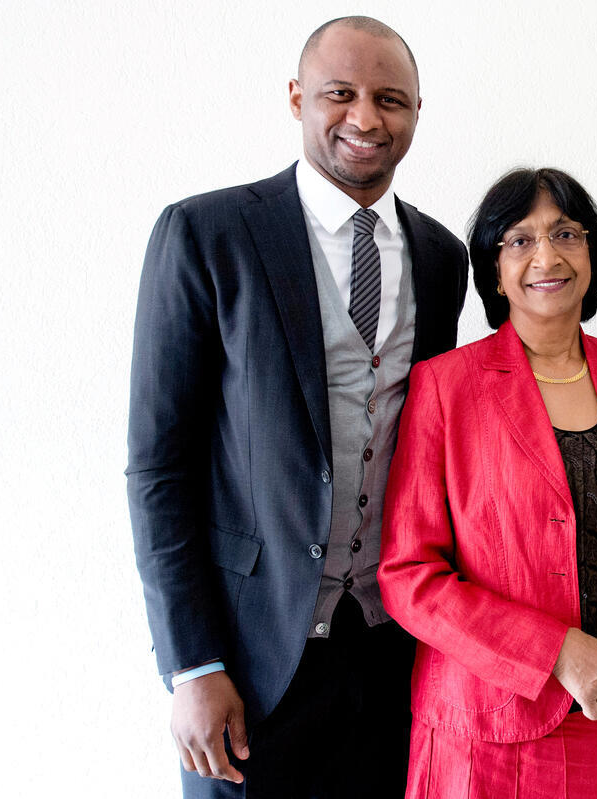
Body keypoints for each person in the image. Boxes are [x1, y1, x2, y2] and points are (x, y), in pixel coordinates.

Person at [126, 17, 468, 798]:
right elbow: (158, 466)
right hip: (247, 662)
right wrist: (193, 664)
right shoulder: (207, 233)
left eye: (391, 99)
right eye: (339, 94)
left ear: (417, 111)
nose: (365, 118)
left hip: (391, 656)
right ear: (296, 98)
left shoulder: (441, 256)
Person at [378, 167, 597, 799]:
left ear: (592, 255)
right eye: (520, 240)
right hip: (483, 735)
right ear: (494, 271)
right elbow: (409, 576)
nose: (547, 256)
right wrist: (555, 652)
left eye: (566, 234)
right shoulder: (445, 387)